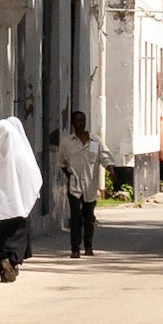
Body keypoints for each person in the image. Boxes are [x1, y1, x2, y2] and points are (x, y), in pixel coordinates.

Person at [0, 116, 42, 283]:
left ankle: (1, 265)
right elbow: (35, 179)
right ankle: (11, 261)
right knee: (16, 238)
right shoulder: (22, 157)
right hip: (16, 208)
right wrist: (26, 198)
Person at [58, 111, 110, 259]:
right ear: (73, 124)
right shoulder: (67, 142)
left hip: (90, 185)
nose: (81, 123)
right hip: (74, 186)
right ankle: (75, 248)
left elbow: (103, 156)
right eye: (78, 121)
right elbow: (61, 162)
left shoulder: (94, 141)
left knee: (89, 217)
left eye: (83, 120)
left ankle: (88, 245)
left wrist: (110, 167)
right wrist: (70, 175)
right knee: (75, 217)